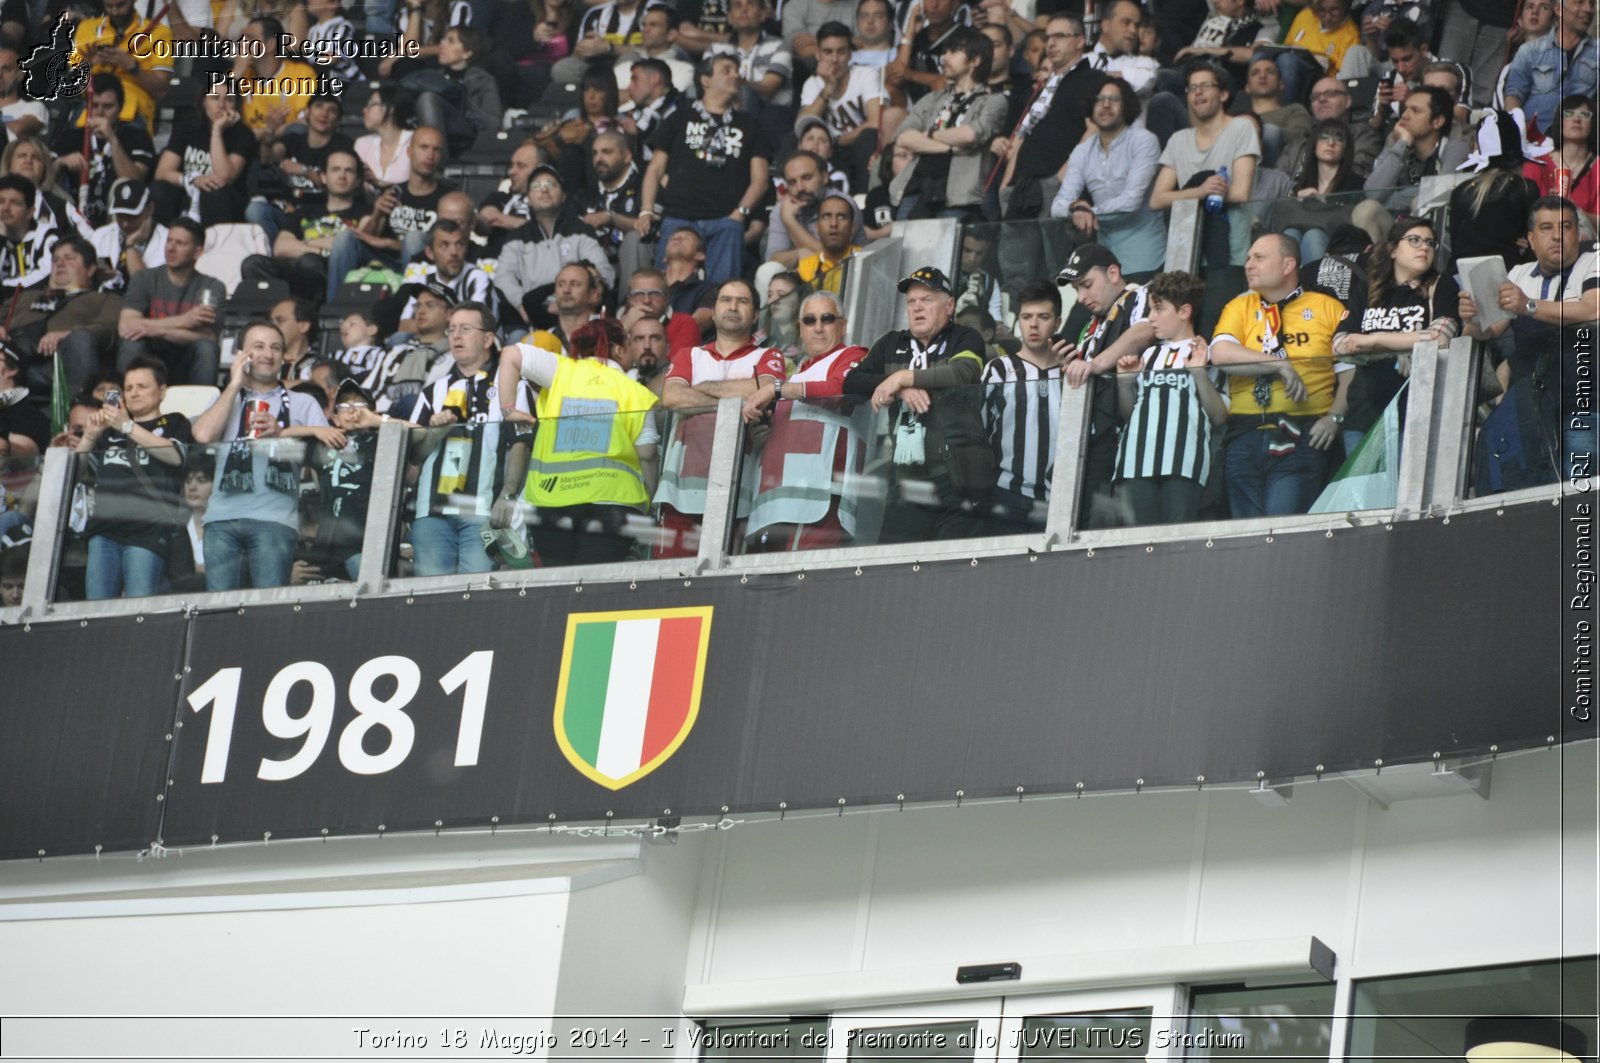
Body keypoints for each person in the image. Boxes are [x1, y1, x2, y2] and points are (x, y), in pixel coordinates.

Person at [843, 266, 992, 541]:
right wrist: (901, 389)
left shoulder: (965, 337)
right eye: (911, 301)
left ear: (949, 306)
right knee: (893, 570)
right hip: (907, 481)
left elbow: (964, 373)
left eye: (927, 299)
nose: (917, 307)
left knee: (952, 571)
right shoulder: (891, 343)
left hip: (959, 480)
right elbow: (851, 381)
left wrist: (903, 377)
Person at [494, 317, 660, 563]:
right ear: (617, 349)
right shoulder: (635, 391)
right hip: (615, 503)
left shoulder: (560, 370)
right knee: (595, 588)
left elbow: (510, 353)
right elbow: (647, 455)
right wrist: (650, 503)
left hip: (552, 500)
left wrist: (508, 408)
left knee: (561, 583)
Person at [1208, 233, 1352, 517]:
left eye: (1259, 258)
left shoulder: (1327, 307)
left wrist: (1334, 417)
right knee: (1246, 537)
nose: (1248, 264)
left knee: (1282, 528)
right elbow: (1220, 353)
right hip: (1244, 435)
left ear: (1288, 265)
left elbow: (1350, 373)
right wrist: (1279, 364)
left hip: (1303, 436)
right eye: (1248, 258)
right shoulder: (1239, 306)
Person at [1460, 196, 1600, 479]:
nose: (1557, 236)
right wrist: (1472, 317)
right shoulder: (1518, 274)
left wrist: (1528, 306)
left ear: (1578, 232)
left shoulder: (1594, 259)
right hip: (1532, 408)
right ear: (1531, 238)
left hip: (1586, 402)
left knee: (1580, 492)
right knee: (1532, 493)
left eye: (1566, 226)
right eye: (1546, 228)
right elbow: (1489, 331)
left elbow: (1592, 308)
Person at [189, 320, 334, 590]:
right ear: (242, 355)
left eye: (275, 347)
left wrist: (283, 432)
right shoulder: (226, 398)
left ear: (284, 357)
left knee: (267, 612)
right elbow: (202, 435)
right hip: (220, 519)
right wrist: (234, 384)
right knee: (217, 611)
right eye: (259, 347)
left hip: (274, 521)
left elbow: (324, 458)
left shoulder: (304, 403)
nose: (268, 354)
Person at [655, 277, 786, 556]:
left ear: (755, 315)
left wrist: (700, 390)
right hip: (680, 494)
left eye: (743, 301)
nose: (733, 306)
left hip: (738, 493)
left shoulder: (768, 355)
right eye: (725, 299)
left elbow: (765, 390)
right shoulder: (689, 354)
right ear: (713, 312)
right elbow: (672, 397)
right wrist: (738, 400)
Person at [741, 290, 872, 549]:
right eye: (810, 321)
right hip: (771, 507)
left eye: (827, 318)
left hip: (820, 504)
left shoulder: (853, 356)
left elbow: (841, 388)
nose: (819, 328)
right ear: (800, 329)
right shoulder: (797, 374)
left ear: (843, 325)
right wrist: (759, 438)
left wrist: (776, 389)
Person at [635, 54, 770, 287]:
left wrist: (738, 215)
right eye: (726, 70)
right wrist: (646, 211)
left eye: (737, 71)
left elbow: (761, 179)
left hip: (726, 222)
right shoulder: (679, 118)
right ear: (705, 80)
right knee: (667, 290)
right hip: (678, 217)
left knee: (722, 295)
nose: (735, 75)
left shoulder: (749, 124)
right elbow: (655, 169)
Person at [1331, 215, 1459, 456]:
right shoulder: (1369, 288)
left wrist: (1373, 341)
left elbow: (1439, 337)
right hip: (1364, 413)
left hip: (1419, 412)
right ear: (1392, 249)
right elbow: (1339, 344)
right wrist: (1400, 347)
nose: (1424, 247)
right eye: (1414, 240)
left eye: (1430, 243)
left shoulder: (1442, 285)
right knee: (1367, 494)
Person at [1112, 270, 1227, 527]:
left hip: (1185, 466)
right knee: (1136, 545)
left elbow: (1219, 416)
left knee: (1176, 546)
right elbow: (1130, 416)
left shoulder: (1206, 354)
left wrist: (1199, 372)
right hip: (1134, 464)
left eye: (1158, 309)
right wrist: (1125, 382)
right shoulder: (1146, 355)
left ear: (1184, 311)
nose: (1150, 317)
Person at [74, 356, 192, 599]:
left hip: (147, 530)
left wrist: (127, 426)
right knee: (95, 611)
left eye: (142, 386)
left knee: (139, 609)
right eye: (128, 388)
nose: (134, 393)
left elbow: (175, 456)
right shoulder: (108, 432)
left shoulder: (175, 422)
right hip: (103, 529)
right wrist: (89, 436)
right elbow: (75, 474)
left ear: (162, 391)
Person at [1059, 244, 1157, 525]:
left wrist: (1095, 364)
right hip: (1092, 443)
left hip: (1131, 439)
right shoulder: (1091, 323)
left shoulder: (1141, 294)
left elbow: (1146, 330)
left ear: (1113, 273)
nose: (1081, 297)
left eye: (1087, 285)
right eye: (1077, 289)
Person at [887, 28, 1007, 220]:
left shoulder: (994, 101)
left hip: (957, 193)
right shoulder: (932, 99)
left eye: (953, 52)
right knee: (904, 248)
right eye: (944, 52)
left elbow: (970, 135)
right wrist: (950, 149)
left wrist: (929, 135)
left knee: (946, 249)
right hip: (916, 186)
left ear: (975, 61)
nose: (944, 58)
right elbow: (903, 137)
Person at [1051, 78, 1165, 279]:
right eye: (1099, 99)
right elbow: (1057, 206)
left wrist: (1088, 211)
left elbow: (1131, 201)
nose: (1105, 105)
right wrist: (1074, 208)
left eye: (1114, 99)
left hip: (1146, 258)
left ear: (1126, 105)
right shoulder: (1082, 150)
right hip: (1104, 263)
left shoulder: (1144, 141)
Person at [979, 280, 1064, 532]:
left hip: (1060, 500)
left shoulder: (1073, 372)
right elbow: (978, 431)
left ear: (1057, 322)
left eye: (1043, 317)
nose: (1033, 324)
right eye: (1026, 317)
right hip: (1006, 493)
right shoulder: (998, 369)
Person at [997, 16, 1100, 222]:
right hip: (1020, 188)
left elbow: (1095, 130)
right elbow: (1026, 134)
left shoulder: (1091, 78)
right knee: (1014, 254)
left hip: (1057, 187)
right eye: (1048, 37)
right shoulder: (1044, 85)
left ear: (1080, 41)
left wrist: (1060, 179)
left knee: (1054, 253)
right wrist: (1006, 186)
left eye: (1059, 36)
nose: (1050, 43)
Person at [240, 148, 371, 303]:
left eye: (348, 171)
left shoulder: (365, 214)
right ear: (323, 177)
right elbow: (280, 247)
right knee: (253, 263)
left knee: (309, 262)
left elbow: (351, 248)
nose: (342, 175)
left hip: (330, 274)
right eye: (335, 170)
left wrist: (303, 244)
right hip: (298, 269)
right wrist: (319, 248)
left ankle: (309, 315)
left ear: (357, 181)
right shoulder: (306, 211)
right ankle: (275, 315)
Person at [3, 236, 122, 402]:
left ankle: (76, 412)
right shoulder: (26, 297)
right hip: (10, 360)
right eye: (55, 259)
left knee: (81, 339)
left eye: (69, 258)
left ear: (90, 269)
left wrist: (68, 334)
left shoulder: (104, 299)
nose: (60, 263)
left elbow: (107, 328)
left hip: (58, 364)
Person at [116, 218, 225, 385]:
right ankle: (124, 405)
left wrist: (156, 330)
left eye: (180, 243)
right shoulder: (144, 279)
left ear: (197, 252)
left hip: (186, 360)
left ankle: (204, 407)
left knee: (206, 349)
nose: (171, 248)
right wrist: (183, 320)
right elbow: (126, 326)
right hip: (149, 358)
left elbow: (208, 337)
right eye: (169, 240)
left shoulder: (211, 287)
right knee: (131, 341)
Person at [1448, 111, 1543, 269]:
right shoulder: (1524, 188)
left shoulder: (1460, 191)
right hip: (1510, 276)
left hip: (1459, 278)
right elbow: (1536, 243)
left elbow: (1455, 246)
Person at [797, 21, 884, 192]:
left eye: (841, 51)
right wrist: (828, 87)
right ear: (817, 54)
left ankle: (864, 199)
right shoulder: (812, 84)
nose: (835, 59)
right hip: (829, 152)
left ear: (850, 54)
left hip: (860, 146)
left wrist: (842, 140)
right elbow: (802, 125)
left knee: (868, 136)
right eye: (828, 52)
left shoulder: (865, 75)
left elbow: (876, 122)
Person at [153, 88, 258, 227]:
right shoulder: (188, 126)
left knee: (214, 192)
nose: (221, 105)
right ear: (203, 102)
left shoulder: (243, 134)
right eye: (215, 98)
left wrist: (217, 131)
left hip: (225, 200)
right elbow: (162, 172)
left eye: (228, 99)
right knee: (159, 190)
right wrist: (193, 179)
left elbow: (224, 178)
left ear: (236, 106)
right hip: (189, 191)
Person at [70, 0, 172, 132]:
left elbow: (161, 90)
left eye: (120, 5)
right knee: (68, 143)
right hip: (92, 103)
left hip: (133, 106)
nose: (115, 12)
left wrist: (132, 67)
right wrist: (89, 63)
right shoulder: (87, 28)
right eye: (109, 6)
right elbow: (72, 84)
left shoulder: (160, 33)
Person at [1271, 118, 1363, 263]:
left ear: (1345, 150)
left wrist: (1323, 201)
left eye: (1338, 139)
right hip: (1300, 237)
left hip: (1338, 246)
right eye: (1324, 137)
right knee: (1290, 234)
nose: (1330, 143)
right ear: (1314, 145)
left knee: (1313, 235)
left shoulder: (1356, 184)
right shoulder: (1301, 184)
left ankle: (1315, 285)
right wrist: (1297, 198)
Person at [1503, 0, 1599, 134]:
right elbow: (1513, 97)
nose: (1588, 9)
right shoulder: (1529, 51)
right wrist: (1518, 134)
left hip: (1577, 141)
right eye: (1580, 2)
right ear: (1559, 10)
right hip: (1535, 139)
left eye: (1592, 4)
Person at [412, 26, 504, 159]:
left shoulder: (482, 80)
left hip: (468, 133)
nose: (442, 45)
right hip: (434, 131)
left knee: (428, 98)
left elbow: (493, 123)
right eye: (443, 40)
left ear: (467, 52)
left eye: (450, 41)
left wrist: (464, 99)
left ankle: (437, 163)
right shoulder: (435, 79)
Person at [1273, 76, 1385, 182]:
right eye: (1315, 97)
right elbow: (1278, 184)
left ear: (1348, 101)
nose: (1321, 99)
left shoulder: (1363, 134)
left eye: (1331, 94)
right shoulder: (1297, 145)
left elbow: (1358, 174)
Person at [1523, 96, 1598, 234]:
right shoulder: (1537, 163)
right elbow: (1523, 216)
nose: (1576, 119)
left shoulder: (1597, 167)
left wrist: (1575, 210)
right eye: (1568, 114)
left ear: (1593, 123)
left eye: (1584, 115)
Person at [92, 178, 168, 294]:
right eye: (120, 216)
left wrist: (130, 244)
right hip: (103, 303)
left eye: (132, 216)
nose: (125, 223)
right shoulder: (102, 236)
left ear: (150, 209)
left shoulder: (166, 240)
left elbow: (146, 288)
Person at [1276, 0, 1359, 106]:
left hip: (1320, 77)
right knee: (1261, 56)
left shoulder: (1351, 34)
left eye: (1334, 10)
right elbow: (1286, 46)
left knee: (1287, 61)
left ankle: (1287, 110)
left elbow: (1339, 75)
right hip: (1291, 66)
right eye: (1322, 10)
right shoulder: (1305, 16)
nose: (1327, 16)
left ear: (1345, 7)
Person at [619, 266, 701, 352]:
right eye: (639, 294)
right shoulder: (618, 326)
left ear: (666, 299)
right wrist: (623, 329)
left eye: (654, 294)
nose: (646, 301)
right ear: (629, 300)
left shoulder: (684, 324)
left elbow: (679, 363)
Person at [794, 193, 861, 297]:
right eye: (826, 217)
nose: (833, 223)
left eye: (841, 217)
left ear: (852, 227)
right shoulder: (806, 267)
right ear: (817, 227)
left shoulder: (866, 260)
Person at [0, 175, 57, 291]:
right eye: (1, 201)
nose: (5, 208)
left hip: (30, 302)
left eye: (15, 203)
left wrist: (6, 289)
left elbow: (47, 274)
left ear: (30, 212)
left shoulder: (46, 236)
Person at [353, 85, 415, 190]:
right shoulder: (362, 144)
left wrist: (379, 183)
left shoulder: (415, 141)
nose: (364, 110)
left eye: (371, 104)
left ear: (390, 109)